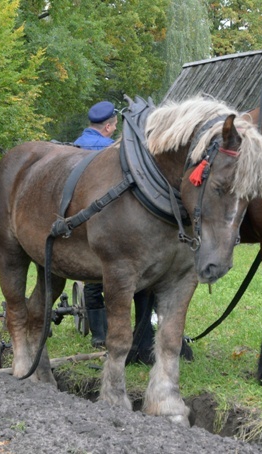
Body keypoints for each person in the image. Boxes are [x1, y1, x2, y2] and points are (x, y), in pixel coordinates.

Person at [73, 101, 154, 364]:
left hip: (78, 219)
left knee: (91, 279)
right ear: (108, 126)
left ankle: (99, 334)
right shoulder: (113, 152)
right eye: (113, 126)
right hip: (112, 220)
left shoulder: (75, 145)